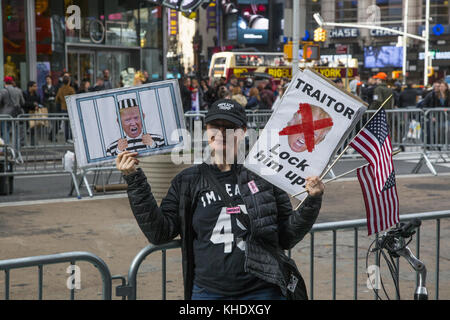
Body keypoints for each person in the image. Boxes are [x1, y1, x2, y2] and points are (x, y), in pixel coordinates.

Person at [116, 98, 325, 300]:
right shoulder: (187, 181)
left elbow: (287, 236)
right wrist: (135, 180)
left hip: (263, 290)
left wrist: (312, 201)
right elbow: (159, 232)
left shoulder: (265, 177)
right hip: (208, 292)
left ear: (243, 132)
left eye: (230, 127)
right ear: (207, 132)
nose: (222, 133)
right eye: (216, 126)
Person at [0, 76, 25, 146]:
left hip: (5, 115)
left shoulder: (3, 91)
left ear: (4, 82)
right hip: (16, 114)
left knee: (6, 132)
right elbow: (23, 102)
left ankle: (7, 149)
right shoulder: (18, 90)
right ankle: (16, 150)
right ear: (12, 82)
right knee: (17, 132)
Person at [56, 75, 76, 141]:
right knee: (71, 124)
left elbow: (57, 99)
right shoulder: (71, 89)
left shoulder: (60, 89)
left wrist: (62, 101)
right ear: (69, 81)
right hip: (70, 108)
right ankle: (70, 138)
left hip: (63, 108)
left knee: (66, 124)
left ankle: (67, 138)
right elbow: (74, 98)